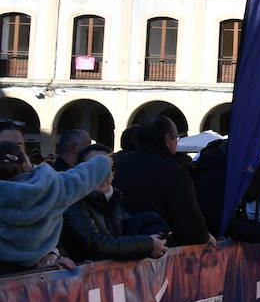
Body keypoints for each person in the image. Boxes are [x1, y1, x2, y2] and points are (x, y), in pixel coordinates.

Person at [0, 140, 109, 272]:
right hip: (39, 273)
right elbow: (82, 177)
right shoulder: (51, 188)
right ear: (24, 166)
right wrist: (104, 161)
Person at [60, 144, 170, 263]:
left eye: (110, 168)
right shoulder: (72, 203)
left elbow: (120, 240)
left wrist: (154, 239)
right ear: (80, 170)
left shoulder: (113, 202)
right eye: (96, 168)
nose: (104, 174)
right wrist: (147, 244)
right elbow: (94, 245)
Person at [113, 115, 212, 246]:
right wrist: (204, 237)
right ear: (167, 139)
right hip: (161, 248)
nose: (177, 142)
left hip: (120, 243)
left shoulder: (117, 164)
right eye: (176, 137)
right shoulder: (175, 172)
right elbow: (191, 225)